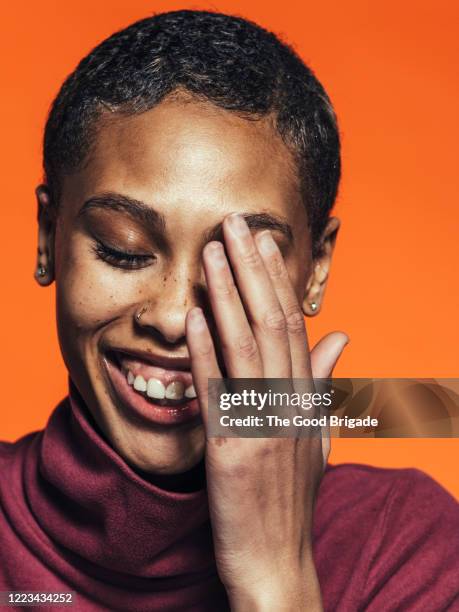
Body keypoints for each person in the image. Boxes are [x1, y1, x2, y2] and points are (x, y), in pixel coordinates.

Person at [0, 10, 457, 611]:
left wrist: (276, 578)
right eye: (123, 249)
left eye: (234, 268)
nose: (169, 318)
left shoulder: (404, 542)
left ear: (314, 268)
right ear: (46, 237)